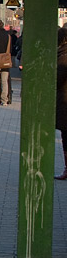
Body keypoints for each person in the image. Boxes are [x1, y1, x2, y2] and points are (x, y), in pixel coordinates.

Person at [55, 27, 67, 179]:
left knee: (66, 138)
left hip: (65, 102)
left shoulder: (63, 56)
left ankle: (66, 170)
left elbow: (57, 80)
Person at [7, 29, 19, 104]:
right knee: (13, 58)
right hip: (13, 50)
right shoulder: (14, 37)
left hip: (9, 52)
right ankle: (13, 64)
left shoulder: (9, 37)